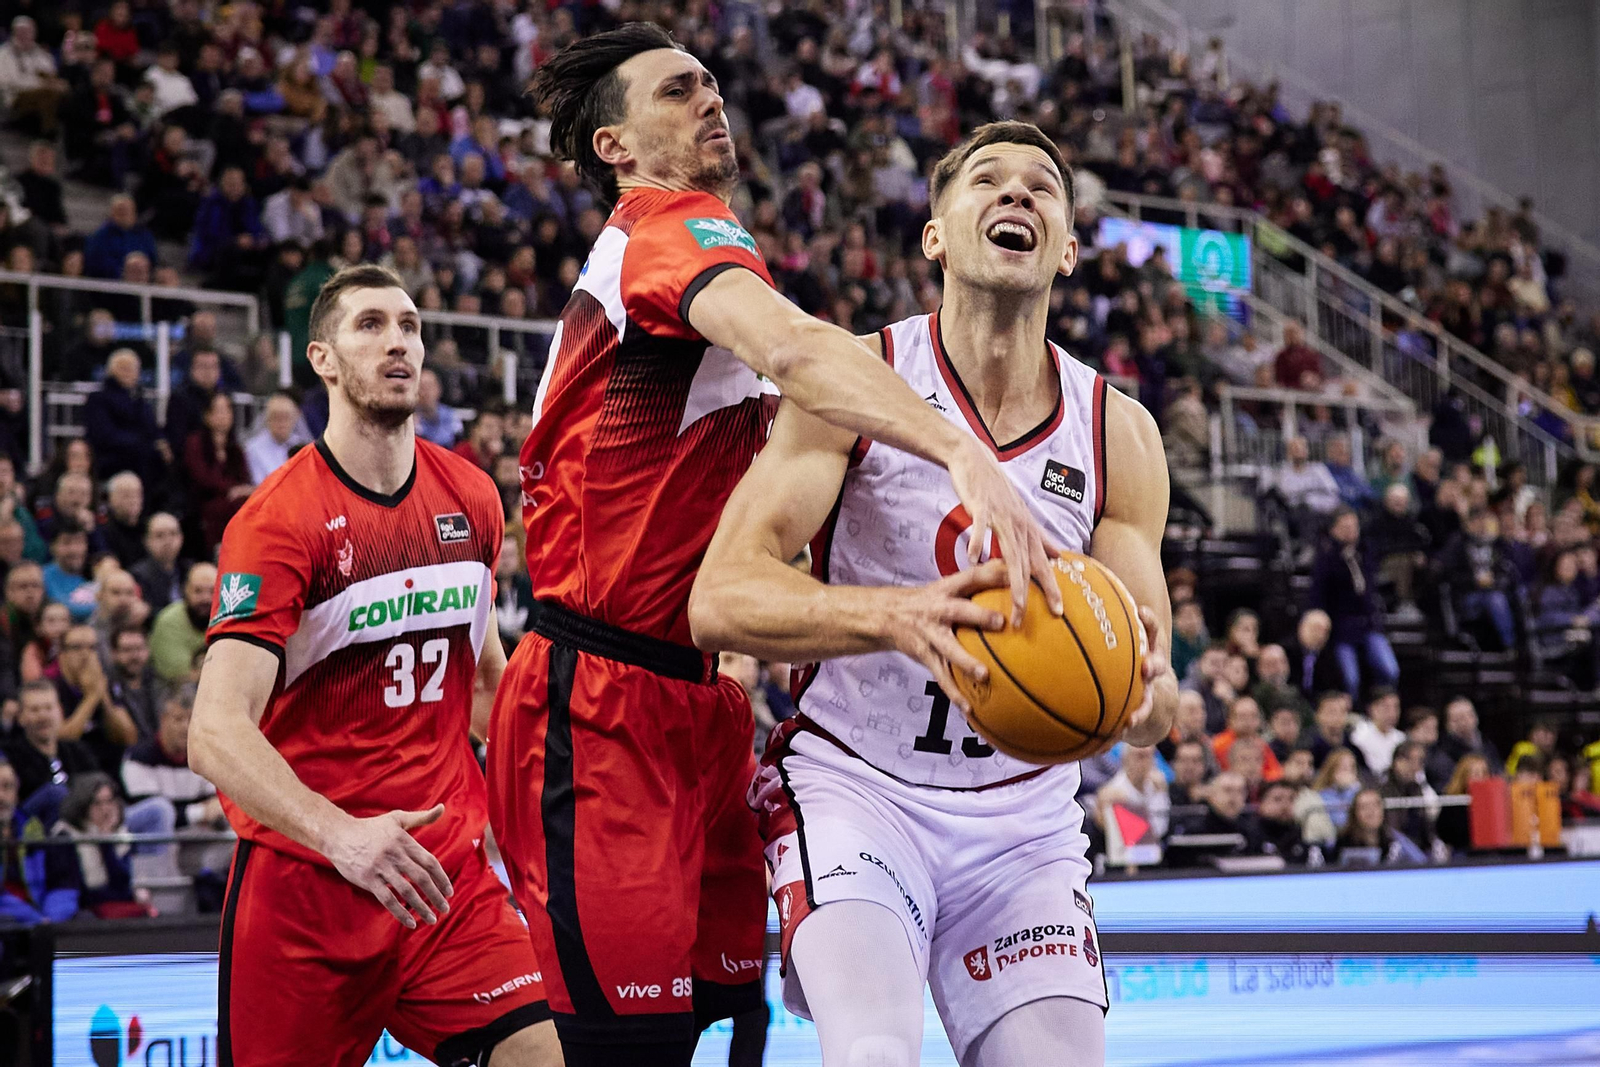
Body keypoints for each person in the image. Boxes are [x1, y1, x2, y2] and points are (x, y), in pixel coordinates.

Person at [486, 30, 1061, 1065]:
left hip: (704, 699)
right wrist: (957, 449)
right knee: (621, 1047)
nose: (710, 100)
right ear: (615, 144)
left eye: (710, 83)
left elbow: (717, 495)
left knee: (734, 1024)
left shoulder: (704, 256)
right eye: (677, 91)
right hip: (599, 699)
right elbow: (801, 353)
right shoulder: (666, 227)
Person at [687, 119, 1176, 1067]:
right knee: (873, 1052)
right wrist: (897, 618)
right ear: (936, 234)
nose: (1016, 194)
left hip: (1026, 823)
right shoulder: (854, 381)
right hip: (856, 788)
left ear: (1068, 248)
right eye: (987, 179)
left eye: (1042, 188)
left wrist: (1143, 688)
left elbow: (1156, 714)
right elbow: (721, 596)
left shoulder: (1120, 434)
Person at [187, 266, 559, 1065]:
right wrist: (343, 836)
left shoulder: (473, 497)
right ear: (322, 358)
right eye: (371, 325)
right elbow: (214, 732)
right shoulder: (276, 521)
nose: (398, 341)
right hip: (308, 887)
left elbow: (483, 684)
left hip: (442, 878)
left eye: (411, 325)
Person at [1311, 508, 1400, 698]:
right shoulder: (1327, 557)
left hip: (1369, 624)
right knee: (1350, 680)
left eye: (1354, 526)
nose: (1351, 531)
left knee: (1390, 670)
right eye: (1345, 527)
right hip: (1342, 628)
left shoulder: (1365, 551)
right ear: (1334, 530)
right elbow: (1318, 594)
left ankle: (1381, 705)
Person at [54, 771, 154, 917]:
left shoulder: (120, 833)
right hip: (85, 908)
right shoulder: (65, 835)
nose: (105, 809)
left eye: (109, 801)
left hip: (115, 904)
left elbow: (122, 884)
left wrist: (107, 842)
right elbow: (81, 891)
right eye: (97, 803)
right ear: (82, 806)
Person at [0, 753, 79, 926]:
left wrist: (50, 919)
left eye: (7, 787)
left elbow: (63, 884)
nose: (1, 796)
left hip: (43, 922)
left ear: (17, 792)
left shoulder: (36, 832)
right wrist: (35, 920)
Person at [54, 621, 137, 773]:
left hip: (110, 770)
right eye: (77, 647)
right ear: (62, 653)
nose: (86, 654)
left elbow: (128, 737)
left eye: (92, 648)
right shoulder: (54, 688)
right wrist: (92, 697)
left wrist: (103, 696)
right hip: (72, 771)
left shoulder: (107, 684)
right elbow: (62, 740)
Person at [3, 679, 99, 811]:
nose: (43, 716)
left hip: (82, 825)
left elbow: (97, 785)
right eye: (34, 710)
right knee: (55, 793)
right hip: (33, 826)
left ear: (60, 711)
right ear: (21, 717)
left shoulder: (77, 750)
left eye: (48, 708)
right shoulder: (10, 757)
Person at [1435, 507, 1519, 651]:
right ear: (1468, 523)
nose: (1482, 525)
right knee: (1496, 600)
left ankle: (1521, 643)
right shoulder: (1457, 544)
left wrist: (1495, 581)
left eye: (1484, 520)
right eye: (1477, 521)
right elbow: (1448, 575)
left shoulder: (1495, 544)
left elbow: (1506, 571)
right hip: (1466, 596)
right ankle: (1510, 646)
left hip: (1494, 590)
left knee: (1515, 596)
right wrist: (1475, 581)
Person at [182, 392, 253, 555]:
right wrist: (231, 489)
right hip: (204, 501)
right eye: (218, 410)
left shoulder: (235, 449)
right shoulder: (196, 443)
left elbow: (245, 479)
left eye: (227, 410)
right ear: (207, 415)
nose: (223, 416)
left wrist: (241, 490)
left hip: (235, 500)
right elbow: (201, 477)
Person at [83, 349, 168, 486]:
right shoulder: (98, 399)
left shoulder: (141, 401)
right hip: (113, 459)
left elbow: (152, 429)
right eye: (123, 368)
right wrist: (144, 444)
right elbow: (105, 435)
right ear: (111, 371)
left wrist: (161, 443)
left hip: (143, 459)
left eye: (132, 368)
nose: (128, 372)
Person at [149, 561, 214, 684]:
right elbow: (180, 677)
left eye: (212, 591)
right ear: (186, 590)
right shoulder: (168, 621)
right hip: (171, 692)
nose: (206, 598)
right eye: (198, 591)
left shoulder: (227, 620)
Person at [1096, 745, 1172, 843]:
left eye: (1149, 756)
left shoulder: (1158, 785)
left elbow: (1161, 828)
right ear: (1126, 759)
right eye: (1140, 756)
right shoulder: (1111, 793)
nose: (1145, 762)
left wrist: (1160, 793)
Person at [1331, 788, 1427, 865]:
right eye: (1364, 807)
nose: (1371, 812)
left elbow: (1421, 862)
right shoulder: (1343, 842)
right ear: (1354, 813)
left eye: (1376, 805)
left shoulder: (1394, 839)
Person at [1427, 695, 1504, 789]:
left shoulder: (1488, 746)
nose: (1464, 722)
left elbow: (1499, 774)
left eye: (1469, 715)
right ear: (1448, 724)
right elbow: (1446, 788)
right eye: (1458, 718)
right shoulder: (1440, 755)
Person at [1380, 740, 1437, 850]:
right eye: (1412, 761)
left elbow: (1425, 826)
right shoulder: (1383, 789)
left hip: (1418, 846)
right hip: (1394, 847)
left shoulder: (1416, 788)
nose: (1416, 768)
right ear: (1398, 761)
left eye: (1420, 762)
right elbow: (1391, 830)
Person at [243, 391, 310, 484]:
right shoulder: (253, 449)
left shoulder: (302, 447)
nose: (281, 423)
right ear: (267, 419)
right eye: (276, 417)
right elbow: (258, 484)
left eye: (286, 417)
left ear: (295, 418)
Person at [107, 625, 160, 741]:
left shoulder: (159, 683)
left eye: (139, 649)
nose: (134, 656)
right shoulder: (107, 688)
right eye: (127, 650)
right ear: (114, 653)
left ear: (148, 650)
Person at [43, 523, 98, 623]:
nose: (74, 550)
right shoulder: (42, 577)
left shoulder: (97, 572)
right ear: (52, 547)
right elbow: (63, 609)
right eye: (66, 543)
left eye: (79, 542)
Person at [130, 512, 185, 611]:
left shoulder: (189, 570)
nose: (168, 541)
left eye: (173, 534)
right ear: (146, 541)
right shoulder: (138, 576)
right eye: (159, 535)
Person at [1247, 779, 1308, 863]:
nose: (1285, 805)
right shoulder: (1249, 836)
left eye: (1291, 799)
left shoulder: (1301, 834)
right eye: (1277, 799)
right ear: (1261, 804)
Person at [1349, 686, 1405, 776]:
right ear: (1372, 709)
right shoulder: (1359, 736)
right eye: (1386, 707)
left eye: (1396, 707)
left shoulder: (1401, 739)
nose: (1392, 713)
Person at [1312, 747, 1364, 831]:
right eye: (1344, 768)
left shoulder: (1358, 791)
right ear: (1332, 770)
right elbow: (1340, 822)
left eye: (1352, 768)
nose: (1348, 772)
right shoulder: (1321, 795)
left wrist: (1353, 789)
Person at [414, 368, 463, 448]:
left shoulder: (452, 416)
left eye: (429, 386)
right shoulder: (409, 419)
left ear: (439, 389)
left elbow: (458, 444)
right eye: (422, 387)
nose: (426, 392)